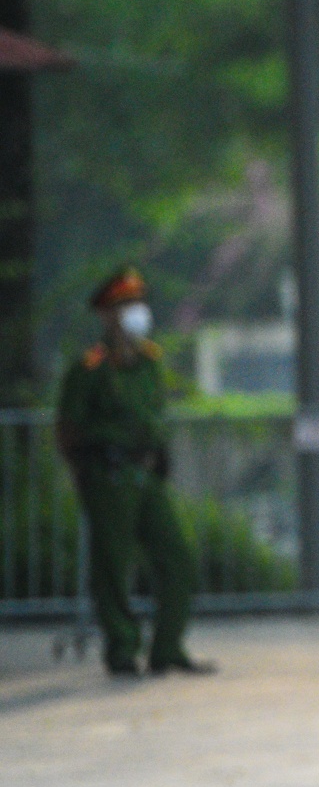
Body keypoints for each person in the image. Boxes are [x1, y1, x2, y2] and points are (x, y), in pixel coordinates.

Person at [55, 266, 213, 676]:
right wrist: (83, 474)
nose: (136, 311)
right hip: (108, 476)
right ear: (107, 314)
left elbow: (155, 415)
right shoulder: (90, 367)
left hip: (146, 475)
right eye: (126, 304)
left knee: (177, 556)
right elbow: (69, 429)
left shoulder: (149, 361)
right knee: (112, 565)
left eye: (138, 303)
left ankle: (167, 647)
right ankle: (123, 648)